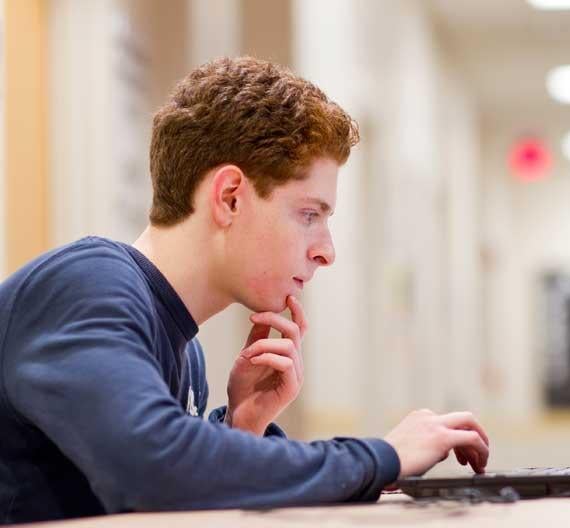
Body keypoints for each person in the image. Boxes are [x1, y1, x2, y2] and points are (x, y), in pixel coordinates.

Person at [0, 57, 489, 524]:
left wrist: (242, 427)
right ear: (230, 197)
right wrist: (382, 457)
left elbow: (155, 494)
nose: (326, 251)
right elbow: (153, 471)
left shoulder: (182, 349)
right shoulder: (89, 285)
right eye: (309, 214)